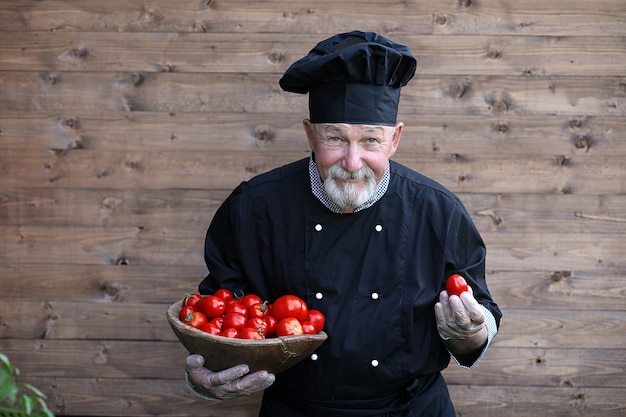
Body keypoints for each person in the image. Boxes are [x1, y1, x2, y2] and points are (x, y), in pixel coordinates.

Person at [185, 30, 502, 417]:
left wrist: (472, 332)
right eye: (335, 138)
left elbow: (480, 309)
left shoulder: (437, 210)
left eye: (370, 141)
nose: (352, 163)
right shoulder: (254, 207)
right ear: (310, 135)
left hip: (411, 409)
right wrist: (208, 376)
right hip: (296, 411)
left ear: (394, 139)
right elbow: (219, 314)